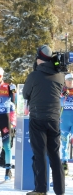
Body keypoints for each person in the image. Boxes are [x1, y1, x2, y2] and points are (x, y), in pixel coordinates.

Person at [23, 45, 65, 195]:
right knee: (54, 155)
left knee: (39, 154)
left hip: (38, 118)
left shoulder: (34, 76)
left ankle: (40, 190)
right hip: (54, 120)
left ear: (38, 59)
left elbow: (25, 94)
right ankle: (60, 191)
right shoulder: (60, 76)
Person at [60, 73, 73, 176]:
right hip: (64, 119)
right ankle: (64, 163)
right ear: (65, 81)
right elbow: (58, 104)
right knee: (64, 142)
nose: (70, 81)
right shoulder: (61, 91)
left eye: (72, 80)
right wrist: (63, 96)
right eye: (68, 80)